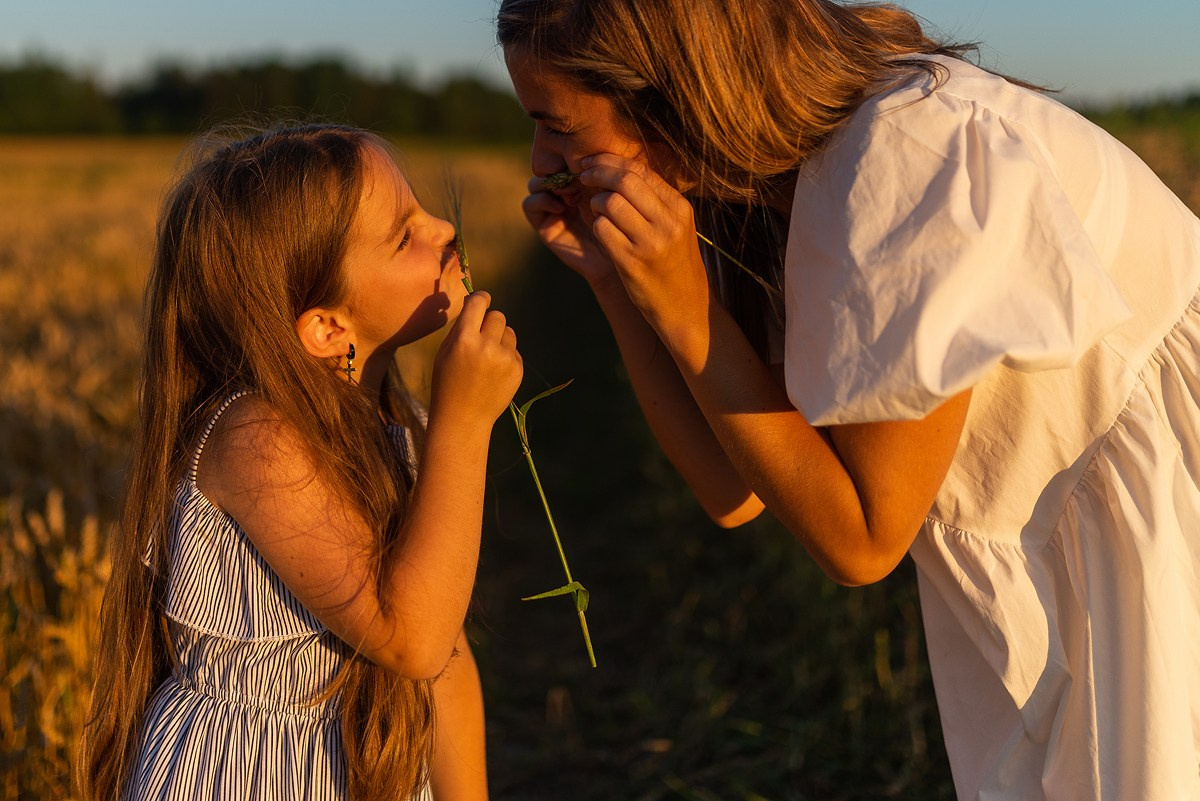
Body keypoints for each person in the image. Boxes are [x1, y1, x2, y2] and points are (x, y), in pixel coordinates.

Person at [496, 0, 1200, 798]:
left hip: (1163, 497)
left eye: (556, 124)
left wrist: (690, 313)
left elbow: (863, 539)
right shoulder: (769, 179)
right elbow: (733, 489)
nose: (541, 158)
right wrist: (620, 284)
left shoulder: (909, 151)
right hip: (1084, 541)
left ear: (669, 97)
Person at [76, 123, 522, 800]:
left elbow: (445, 649)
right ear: (327, 327)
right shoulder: (255, 440)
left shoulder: (395, 418)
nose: (444, 228)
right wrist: (466, 424)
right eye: (405, 235)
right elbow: (412, 640)